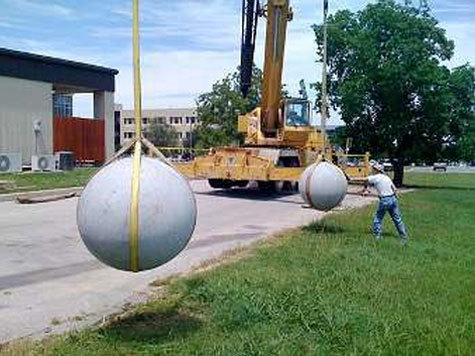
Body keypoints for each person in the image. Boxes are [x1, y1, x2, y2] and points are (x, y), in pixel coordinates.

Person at [360, 163, 408, 244]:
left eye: (373, 168)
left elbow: (364, 179)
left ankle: (377, 236)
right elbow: (395, 189)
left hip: (385, 199)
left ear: (376, 170)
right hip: (393, 199)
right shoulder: (386, 177)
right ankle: (403, 236)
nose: (372, 170)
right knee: (397, 219)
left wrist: (350, 178)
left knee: (378, 218)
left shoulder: (376, 177)